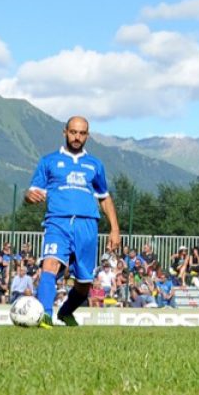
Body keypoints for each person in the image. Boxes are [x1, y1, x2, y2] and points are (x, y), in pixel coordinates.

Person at [24, 117, 121, 327]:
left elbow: (104, 197)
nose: (77, 137)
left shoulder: (95, 164)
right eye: (73, 132)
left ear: (87, 135)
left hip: (87, 226)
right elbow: (33, 191)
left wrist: (114, 229)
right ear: (65, 132)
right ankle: (44, 316)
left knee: (84, 283)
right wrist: (28, 196)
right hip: (57, 221)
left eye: (82, 133)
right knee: (49, 264)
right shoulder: (49, 161)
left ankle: (66, 312)